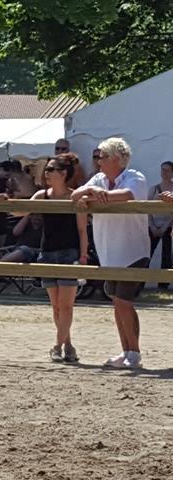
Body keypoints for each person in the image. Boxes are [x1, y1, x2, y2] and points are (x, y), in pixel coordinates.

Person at [71, 138, 151, 369]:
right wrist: (91, 190)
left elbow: (127, 195)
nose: (98, 160)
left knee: (124, 302)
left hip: (133, 250)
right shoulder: (98, 180)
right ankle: (126, 350)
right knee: (116, 302)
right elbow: (75, 195)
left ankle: (134, 353)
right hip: (109, 250)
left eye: (103, 156)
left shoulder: (136, 177)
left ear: (117, 158)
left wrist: (96, 196)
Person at [26, 155, 89, 362]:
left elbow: (82, 230)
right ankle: (68, 344)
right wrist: (5, 200)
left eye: (51, 169)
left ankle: (57, 346)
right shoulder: (41, 195)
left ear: (63, 174)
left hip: (69, 253)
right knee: (56, 305)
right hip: (47, 253)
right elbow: (20, 210)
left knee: (67, 305)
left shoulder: (75, 197)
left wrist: (83, 255)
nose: (46, 173)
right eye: (46, 169)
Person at [0, 214, 43, 293]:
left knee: (24, 250)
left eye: (39, 216)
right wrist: (26, 217)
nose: (36, 218)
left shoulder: (45, 228)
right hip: (17, 253)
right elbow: (16, 232)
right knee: (5, 263)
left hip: (33, 254)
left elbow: (43, 248)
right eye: (34, 215)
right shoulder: (27, 224)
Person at [148, 161, 173, 288]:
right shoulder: (155, 188)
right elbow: (145, 208)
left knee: (166, 256)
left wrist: (165, 227)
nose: (164, 173)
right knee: (147, 254)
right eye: (162, 170)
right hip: (153, 226)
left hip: (168, 226)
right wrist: (152, 226)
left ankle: (163, 285)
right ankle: (138, 284)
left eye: (167, 170)